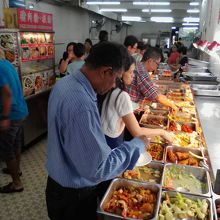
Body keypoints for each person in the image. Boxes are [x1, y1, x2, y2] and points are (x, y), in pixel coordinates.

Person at [45, 42, 149, 220]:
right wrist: (136, 145)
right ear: (105, 71)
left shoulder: (66, 84)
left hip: (57, 185)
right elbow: (97, 169)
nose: (115, 84)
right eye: (115, 78)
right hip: (74, 196)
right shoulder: (81, 104)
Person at [100, 55, 173, 149]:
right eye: (130, 72)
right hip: (112, 141)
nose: (133, 76)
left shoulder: (111, 89)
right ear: (121, 73)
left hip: (105, 136)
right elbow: (137, 132)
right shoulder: (121, 95)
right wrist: (162, 132)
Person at [0, 49, 28, 193]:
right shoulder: (7, 63)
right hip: (21, 110)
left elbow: (7, 93)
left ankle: (17, 183)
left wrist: (4, 117)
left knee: (7, 149)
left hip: (11, 115)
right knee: (16, 144)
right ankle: (16, 170)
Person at [125, 47, 178, 112]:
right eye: (157, 64)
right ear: (150, 61)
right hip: (131, 107)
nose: (157, 67)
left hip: (131, 104)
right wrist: (173, 105)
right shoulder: (142, 72)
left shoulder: (140, 65)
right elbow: (156, 95)